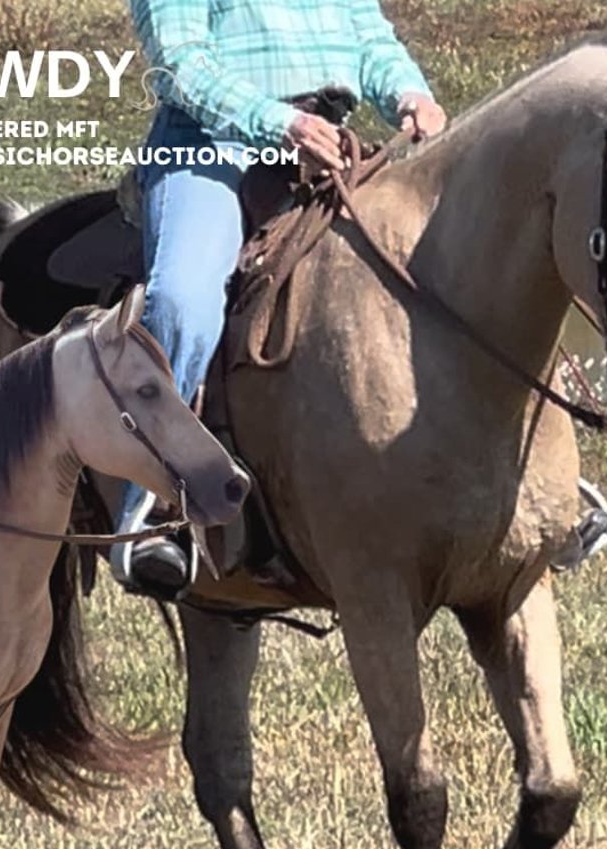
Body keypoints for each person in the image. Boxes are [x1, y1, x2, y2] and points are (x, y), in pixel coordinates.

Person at [111, 0, 448, 592]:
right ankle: (155, 506)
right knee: (184, 301)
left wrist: (409, 93)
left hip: (329, 148)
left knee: (448, 263)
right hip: (211, 147)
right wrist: (280, 124)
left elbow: (368, 38)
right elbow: (181, 66)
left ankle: (504, 478)